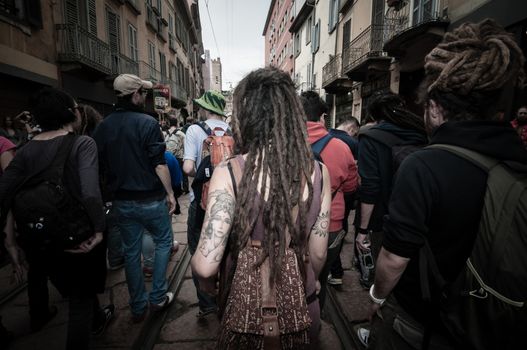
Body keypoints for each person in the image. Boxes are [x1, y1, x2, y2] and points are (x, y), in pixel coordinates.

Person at [366, 19, 527, 350]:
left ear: (436, 109)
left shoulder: (424, 165)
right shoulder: (518, 161)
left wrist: (377, 296)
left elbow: (394, 259)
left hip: (423, 322)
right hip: (495, 323)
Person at [191, 66, 331, 348]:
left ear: (246, 115)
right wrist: (310, 279)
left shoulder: (228, 172)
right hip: (302, 310)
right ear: (292, 114)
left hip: (245, 314)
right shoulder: (318, 172)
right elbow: (317, 252)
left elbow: (206, 267)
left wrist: (210, 287)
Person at [0, 87, 113, 349]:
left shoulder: (24, 149)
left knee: (75, 288)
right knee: (80, 300)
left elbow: (4, 193)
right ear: (70, 113)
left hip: (39, 239)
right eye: (75, 107)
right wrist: (98, 229)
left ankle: (98, 318)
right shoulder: (82, 143)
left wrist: (11, 244)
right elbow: (90, 193)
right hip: (76, 234)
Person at [93, 73, 176, 322]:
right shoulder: (147, 123)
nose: (145, 97)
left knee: (131, 252)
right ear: (135, 95)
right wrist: (171, 194)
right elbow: (159, 165)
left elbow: (99, 164)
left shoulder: (103, 126)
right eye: (143, 93)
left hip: (121, 201)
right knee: (163, 242)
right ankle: (158, 296)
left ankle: (138, 306)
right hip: (150, 198)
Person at [354, 91, 428, 289]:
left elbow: (370, 187)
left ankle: (379, 301)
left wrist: (362, 231)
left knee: (383, 269)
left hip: (383, 219)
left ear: (375, 115)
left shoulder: (370, 137)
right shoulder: (421, 132)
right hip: (418, 214)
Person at [301, 90, 359, 306]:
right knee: (319, 279)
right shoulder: (342, 148)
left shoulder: (283, 145)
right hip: (330, 225)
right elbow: (352, 186)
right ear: (323, 117)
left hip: (292, 224)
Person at [183, 89, 229, 317]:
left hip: (200, 202)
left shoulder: (194, 129)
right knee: (227, 249)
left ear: (206, 109)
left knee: (198, 250)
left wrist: (205, 175)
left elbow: (188, 168)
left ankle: (207, 304)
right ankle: (227, 297)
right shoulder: (234, 131)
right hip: (229, 200)